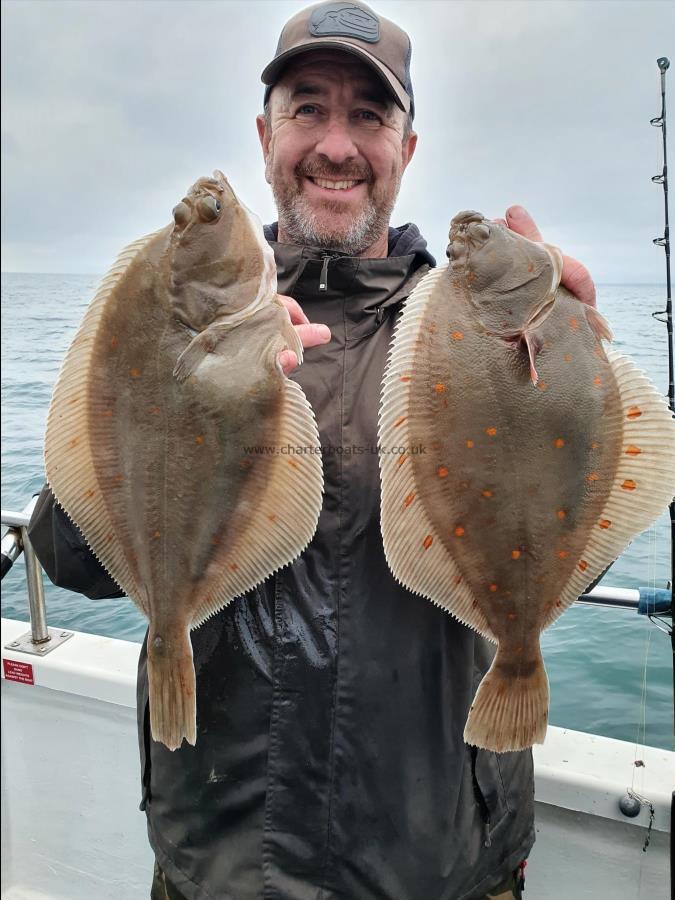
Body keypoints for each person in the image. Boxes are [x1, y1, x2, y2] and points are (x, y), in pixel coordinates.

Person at [28, 2, 596, 898]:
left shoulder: (463, 329)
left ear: (406, 148)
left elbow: (568, 567)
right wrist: (151, 392)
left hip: (440, 863)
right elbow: (73, 560)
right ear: (265, 136)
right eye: (307, 109)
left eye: (368, 115)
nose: (336, 144)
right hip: (220, 863)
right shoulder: (179, 313)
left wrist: (562, 388)